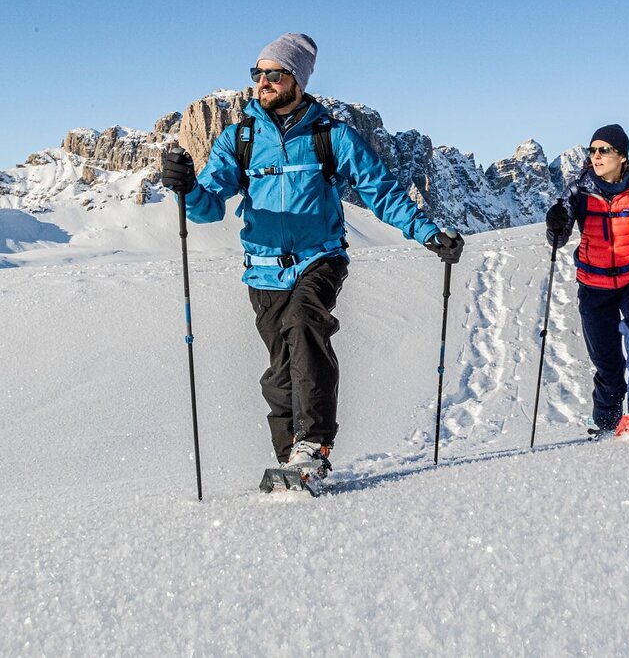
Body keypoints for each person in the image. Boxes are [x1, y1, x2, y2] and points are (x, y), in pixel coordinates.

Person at [160, 32, 463, 481]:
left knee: (304, 325)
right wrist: (185, 187)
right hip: (262, 273)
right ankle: (291, 463)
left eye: (274, 74)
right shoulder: (238, 139)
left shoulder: (331, 136)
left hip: (319, 259)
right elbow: (207, 207)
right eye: (257, 73)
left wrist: (427, 232)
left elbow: (379, 190)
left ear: (296, 80)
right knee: (280, 374)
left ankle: (314, 445)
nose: (262, 82)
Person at [544, 123, 629, 437]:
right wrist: (555, 224)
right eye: (592, 150)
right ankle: (606, 421)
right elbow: (559, 237)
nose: (596, 156)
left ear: (621, 155)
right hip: (594, 286)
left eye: (603, 150)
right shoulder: (579, 189)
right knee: (606, 361)